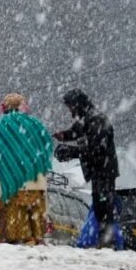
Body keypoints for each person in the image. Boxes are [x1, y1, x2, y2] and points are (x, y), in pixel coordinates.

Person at [54, 88, 119, 248]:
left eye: (70, 106)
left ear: (78, 104)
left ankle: (108, 241)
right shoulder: (87, 118)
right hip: (99, 171)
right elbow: (76, 132)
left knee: (104, 207)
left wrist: (71, 151)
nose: (70, 110)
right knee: (99, 207)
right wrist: (63, 136)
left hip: (104, 171)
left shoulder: (96, 119)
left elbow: (95, 148)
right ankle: (105, 240)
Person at [0, 93, 50, 245]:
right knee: (36, 230)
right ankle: (35, 247)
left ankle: (19, 246)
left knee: (14, 233)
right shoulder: (35, 124)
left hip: (9, 184)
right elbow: (45, 148)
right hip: (35, 181)